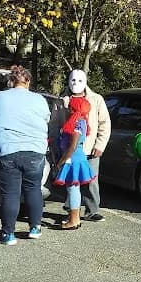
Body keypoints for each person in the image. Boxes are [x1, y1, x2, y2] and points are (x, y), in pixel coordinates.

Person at [0, 66, 50, 245]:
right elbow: (46, 118)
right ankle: (35, 228)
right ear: (28, 82)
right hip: (35, 150)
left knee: (11, 194)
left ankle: (8, 234)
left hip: (7, 150)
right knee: (33, 189)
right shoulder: (39, 99)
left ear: (11, 82)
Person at [50, 70, 111, 222]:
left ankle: (92, 210)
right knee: (71, 181)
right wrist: (54, 143)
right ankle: (72, 211)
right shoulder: (61, 100)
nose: (75, 84)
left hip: (89, 147)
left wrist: (100, 145)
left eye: (79, 80)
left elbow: (104, 123)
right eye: (72, 80)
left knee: (91, 180)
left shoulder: (96, 99)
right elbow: (54, 123)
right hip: (68, 147)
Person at [54, 96, 96, 230]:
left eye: (70, 107)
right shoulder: (82, 121)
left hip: (73, 159)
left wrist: (61, 162)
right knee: (74, 188)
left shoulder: (77, 123)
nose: (68, 109)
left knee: (72, 189)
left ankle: (73, 219)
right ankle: (75, 218)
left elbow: (72, 147)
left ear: (74, 108)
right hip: (77, 158)